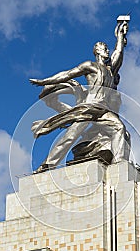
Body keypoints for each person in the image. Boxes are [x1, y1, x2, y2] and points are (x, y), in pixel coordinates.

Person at [30, 20, 129, 172]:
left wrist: (121, 35)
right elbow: (67, 74)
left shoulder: (110, 70)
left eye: (107, 49)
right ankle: (47, 164)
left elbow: (119, 52)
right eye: (104, 49)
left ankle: (119, 164)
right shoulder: (90, 66)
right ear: (97, 51)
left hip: (103, 111)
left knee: (119, 128)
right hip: (88, 108)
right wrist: (45, 81)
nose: (107, 51)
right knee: (71, 136)